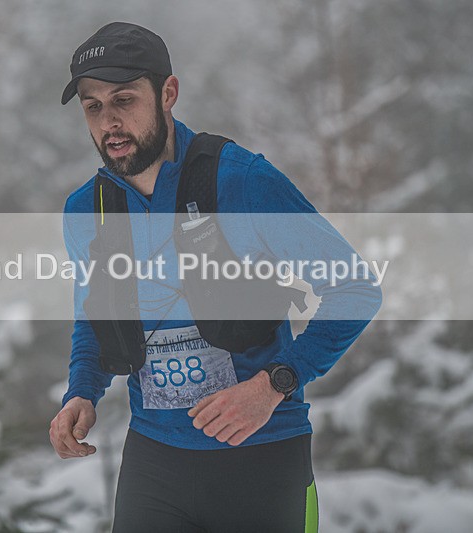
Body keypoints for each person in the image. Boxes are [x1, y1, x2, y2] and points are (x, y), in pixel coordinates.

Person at [49, 21, 382, 533]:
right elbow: (94, 320)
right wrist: (81, 392)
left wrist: (274, 384)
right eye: (93, 106)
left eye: (124, 100)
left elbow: (356, 288)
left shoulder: (242, 181)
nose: (109, 121)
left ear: (168, 93)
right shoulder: (86, 212)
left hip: (263, 455)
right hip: (155, 461)